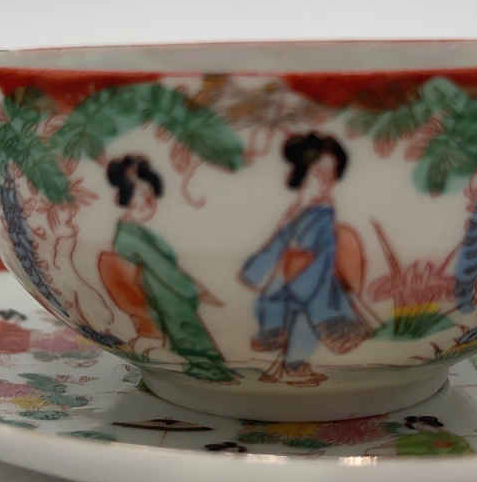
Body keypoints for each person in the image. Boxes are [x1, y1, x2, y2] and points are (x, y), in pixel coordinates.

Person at [240, 133, 371, 386]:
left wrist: (302, 284)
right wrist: (258, 272)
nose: (325, 184)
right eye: (319, 174)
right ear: (302, 172)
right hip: (292, 277)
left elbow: (325, 253)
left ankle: (291, 367)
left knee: (303, 325)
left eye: (330, 177)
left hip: (313, 280)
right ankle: (288, 366)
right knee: (293, 322)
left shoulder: (323, 214)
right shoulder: (299, 212)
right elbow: (278, 243)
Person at [98, 155, 238, 384]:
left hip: (167, 287)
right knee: (183, 327)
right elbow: (160, 266)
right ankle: (205, 367)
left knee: (188, 326)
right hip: (161, 290)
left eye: (149, 194)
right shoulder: (129, 235)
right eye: (140, 195)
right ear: (124, 196)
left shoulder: (137, 231)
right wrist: (193, 289)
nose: (149, 201)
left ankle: (210, 365)